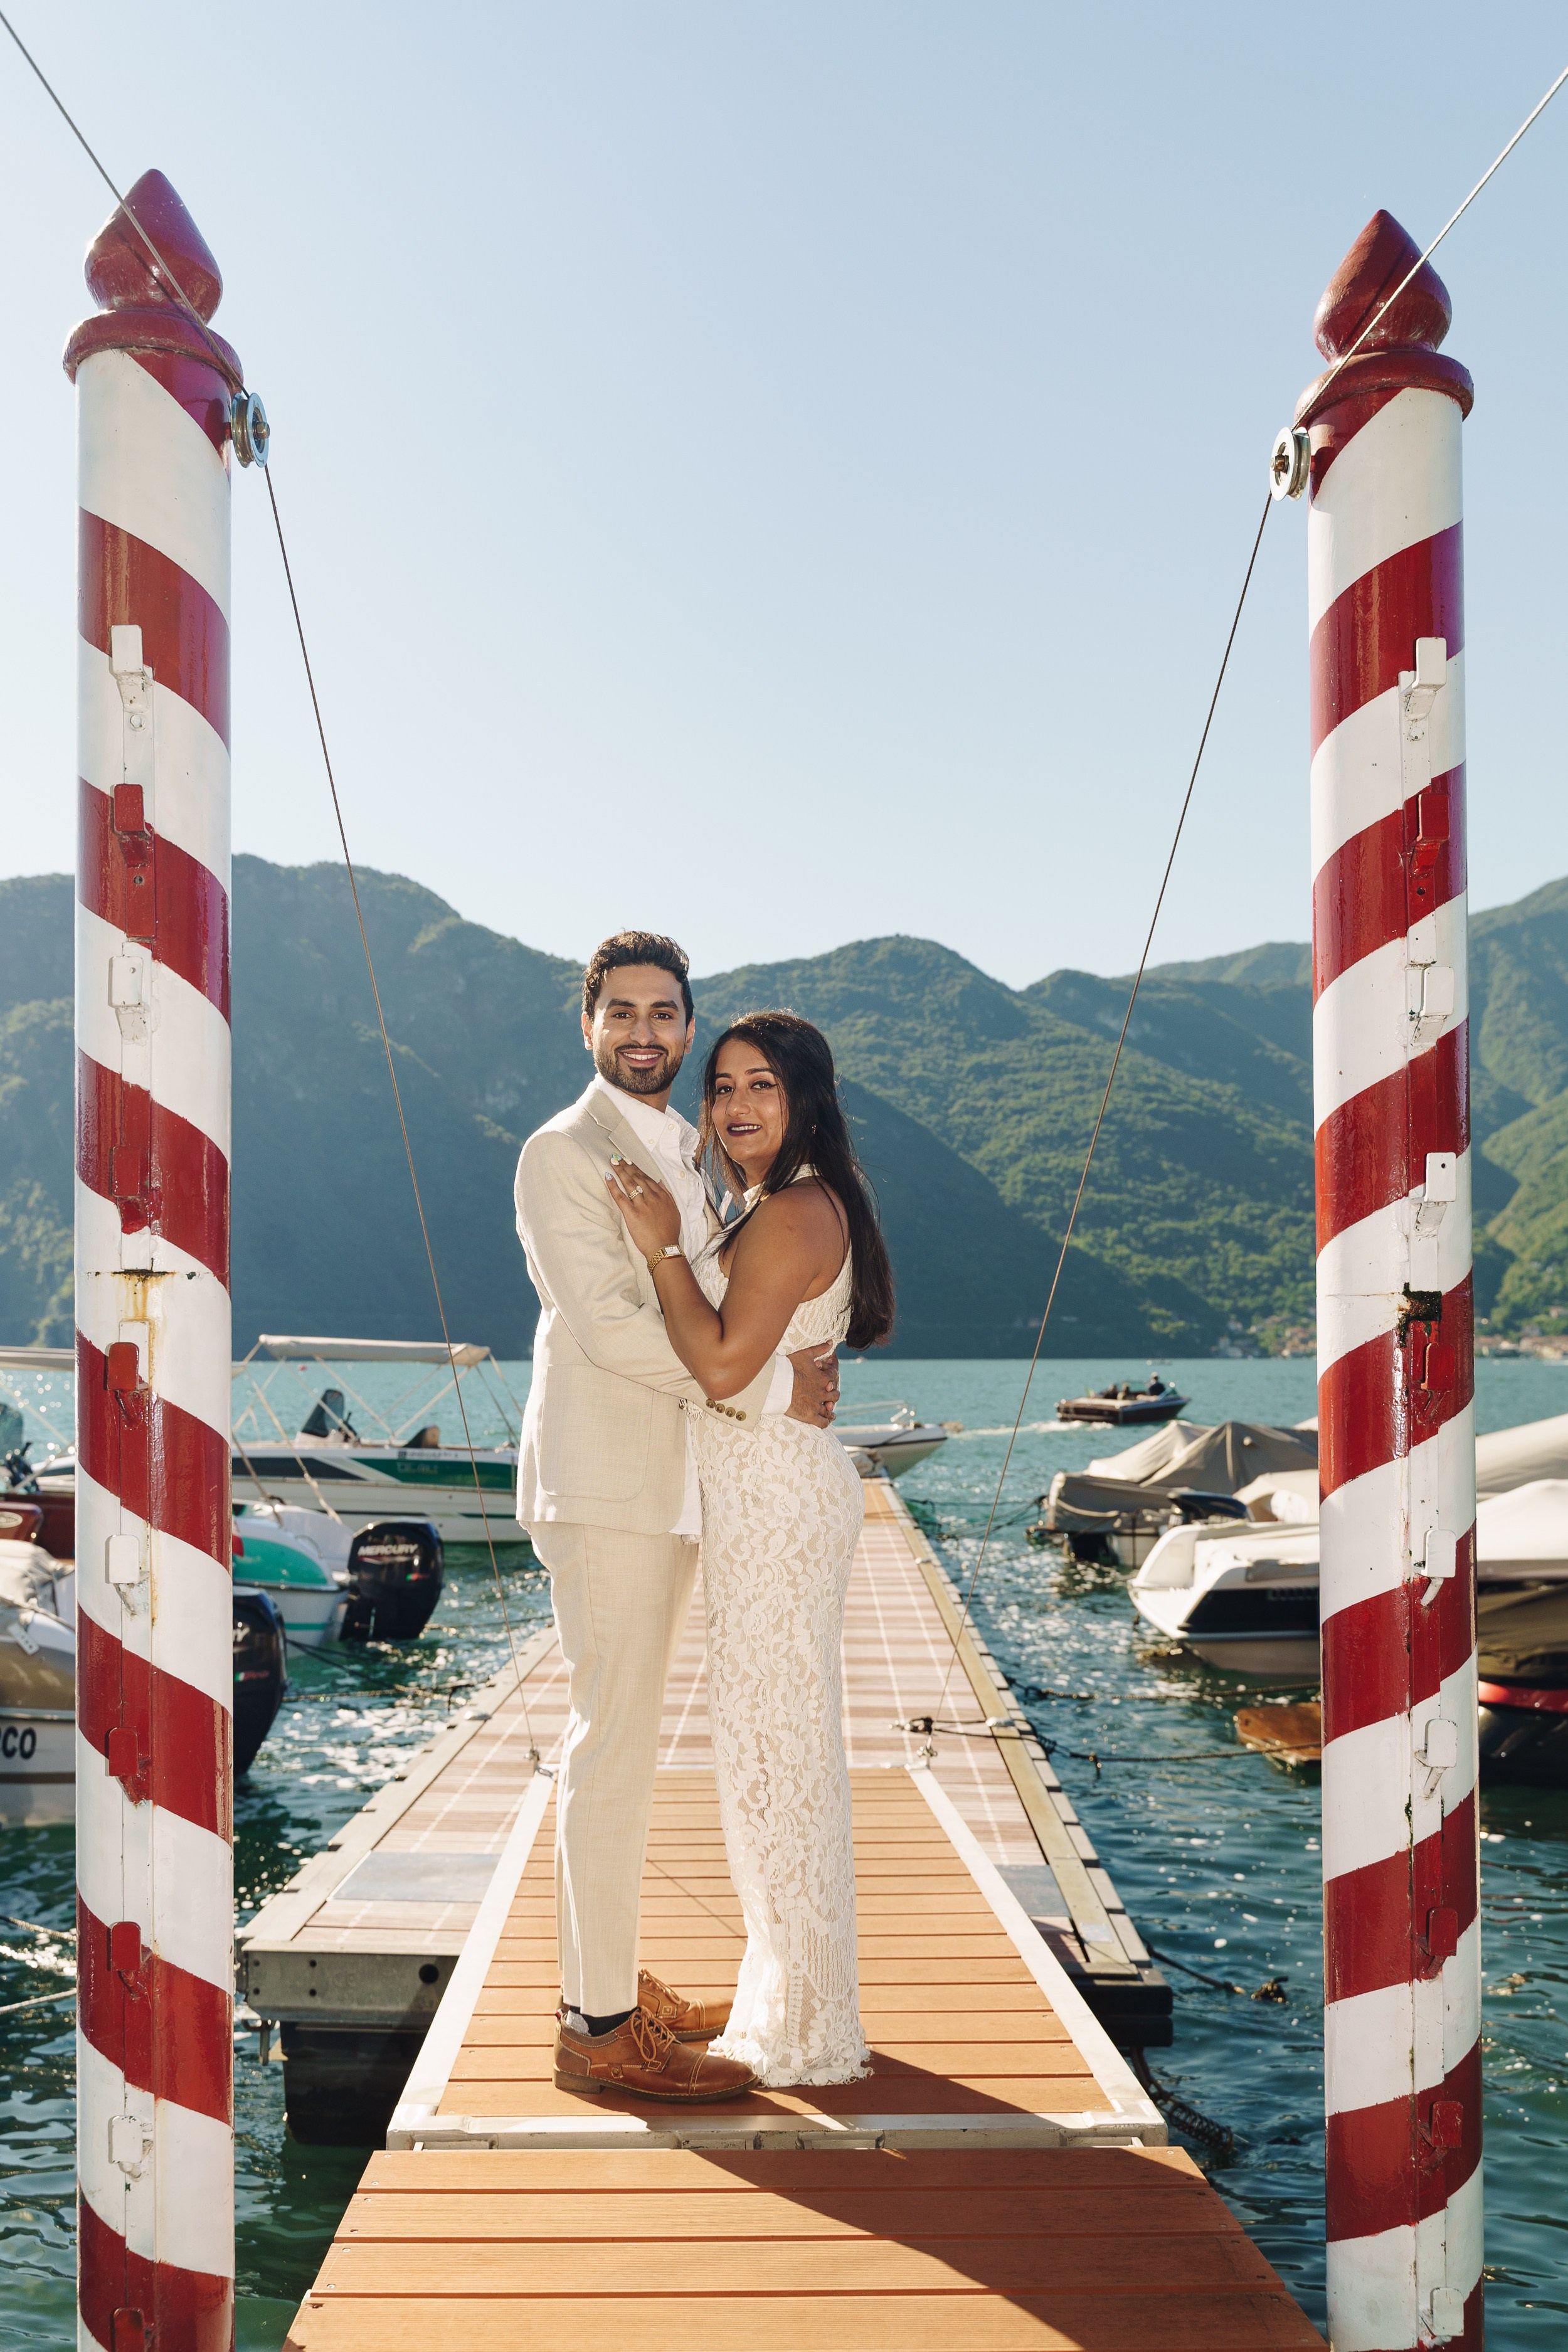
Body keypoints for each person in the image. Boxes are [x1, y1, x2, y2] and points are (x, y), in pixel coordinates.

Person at [513, 933, 840, 2104]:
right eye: (622, 1013)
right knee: (610, 1747)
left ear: (686, 1028)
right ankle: (596, 2031)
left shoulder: (693, 1153)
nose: (644, 1032)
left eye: (664, 1014)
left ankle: (602, 1983)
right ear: (589, 1025)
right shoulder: (564, 1152)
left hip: (676, 1483)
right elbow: (609, 1325)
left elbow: (706, 1290)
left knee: (628, 1746)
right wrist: (768, 1386)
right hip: (610, 1488)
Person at [608, 1009, 895, 2085]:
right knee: (772, 1759)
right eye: (722, 1085)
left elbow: (726, 1367)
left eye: (760, 1084)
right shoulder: (781, 1203)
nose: (734, 1104)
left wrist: (667, 1249)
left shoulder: (794, 1211)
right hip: (767, 1499)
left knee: (781, 1762)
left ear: (807, 1095)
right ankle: (795, 1989)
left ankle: (811, 2023)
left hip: (776, 1506)